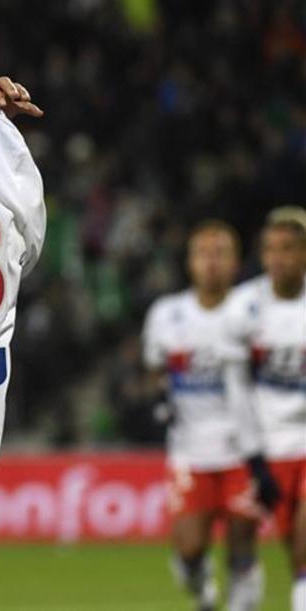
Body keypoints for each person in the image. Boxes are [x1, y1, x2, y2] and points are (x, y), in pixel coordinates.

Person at [143, 220, 277, 611]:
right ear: (190, 263)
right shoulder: (167, 314)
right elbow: (156, 368)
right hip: (190, 450)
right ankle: (202, 591)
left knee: (241, 544)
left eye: (221, 254)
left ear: (236, 263)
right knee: (189, 549)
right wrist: (160, 400)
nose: (212, 263)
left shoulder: (253, 312)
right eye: (203, 254)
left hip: (243, 450)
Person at [225, 207, 306, 611]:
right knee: (241, 537)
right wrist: (253, 455)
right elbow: (234, 384)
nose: (278, 258)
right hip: (261, 443)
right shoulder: (243, 305)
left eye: (289, 249)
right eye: (271, 249)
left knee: (303, 546)